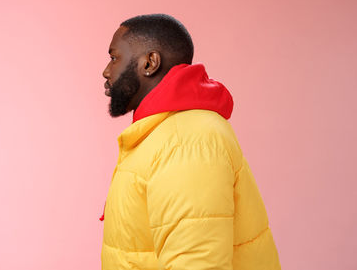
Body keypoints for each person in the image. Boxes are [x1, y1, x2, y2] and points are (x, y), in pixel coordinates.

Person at [99, 14, 281, 270]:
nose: (106, 71)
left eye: (114, 57)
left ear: (149, 63)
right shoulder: (162, 133)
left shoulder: (186, 141)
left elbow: (197, 262)